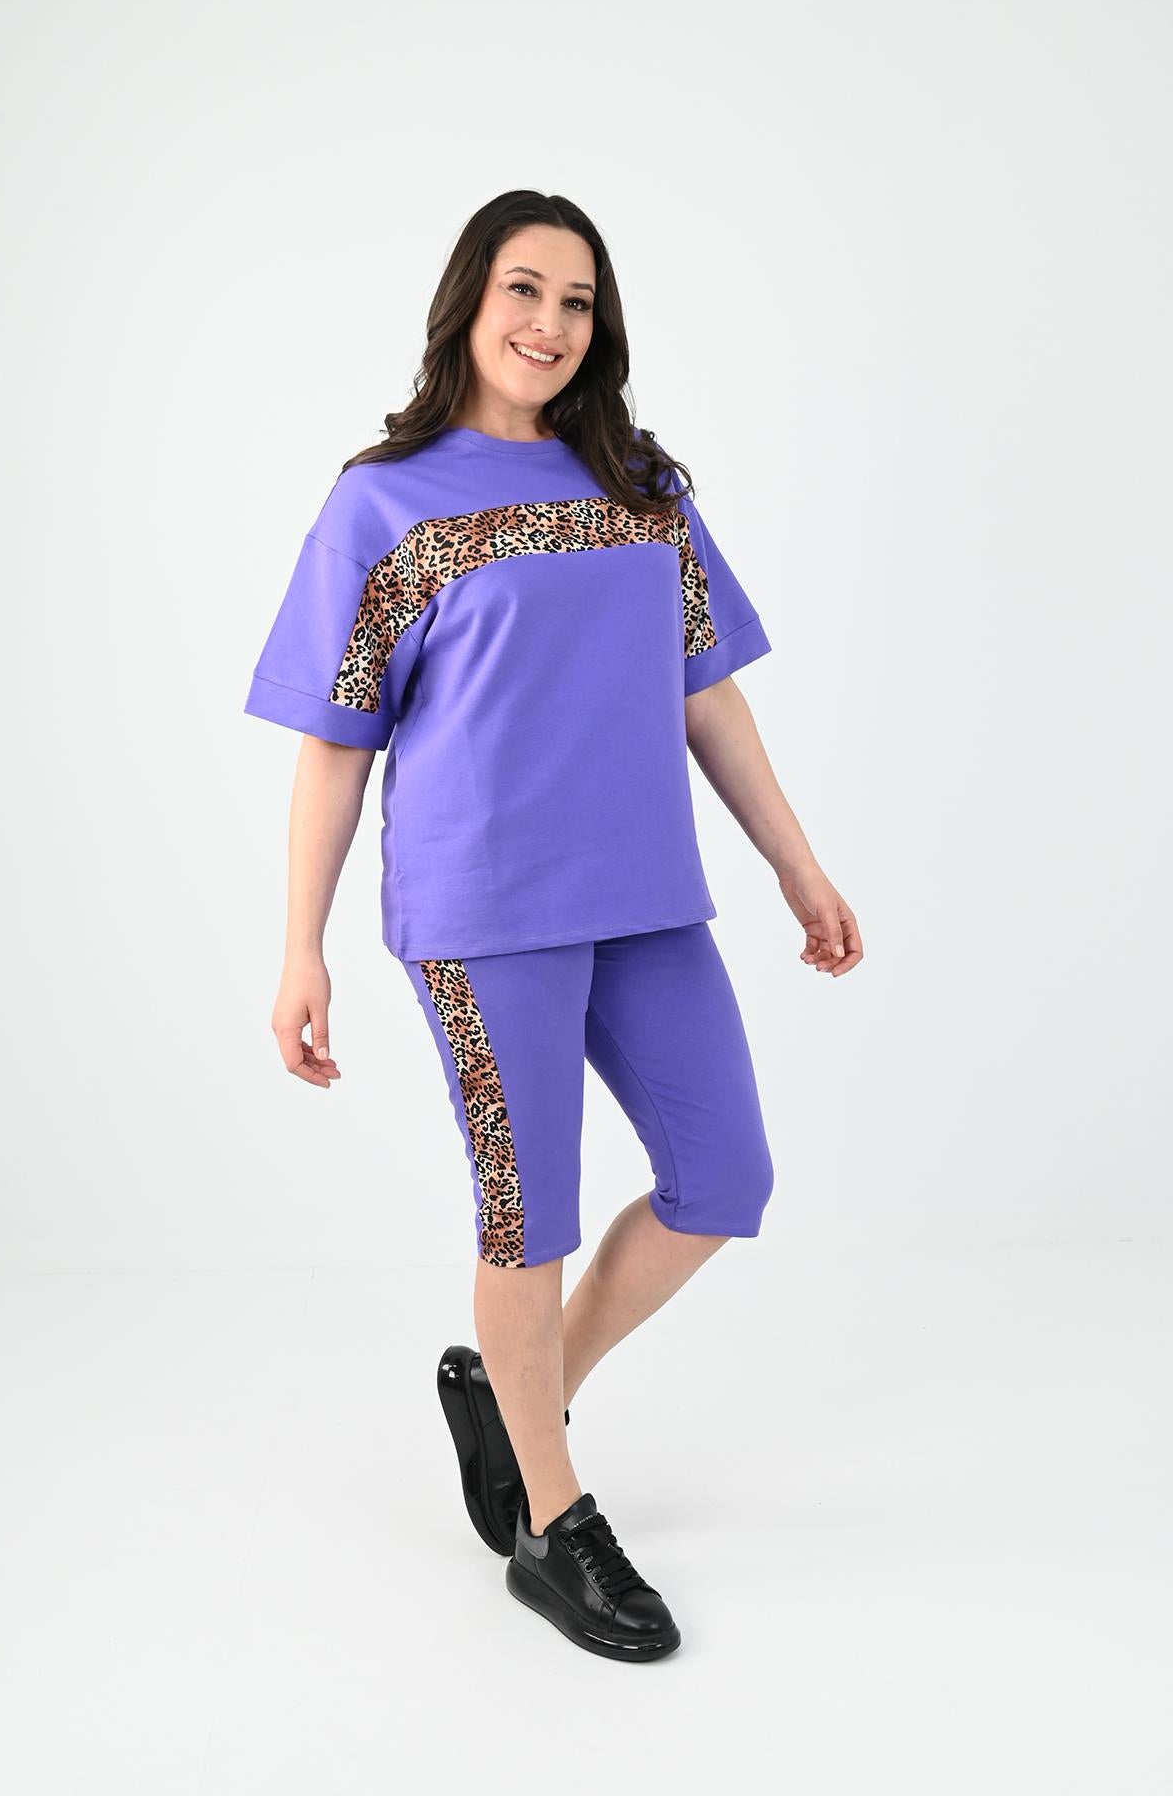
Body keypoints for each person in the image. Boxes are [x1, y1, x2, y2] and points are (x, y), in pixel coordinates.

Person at [242, 189, 863, 1663]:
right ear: (469, 301)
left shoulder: (641, 487)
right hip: (483, 911)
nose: (549, 323)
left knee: (724, 1176)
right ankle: (552, 1522)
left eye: (578, 300)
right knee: (530, 1215)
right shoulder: (383, 503)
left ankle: (520, 1397)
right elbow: (334, 743)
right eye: (524, 289)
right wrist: (299, 946)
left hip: (647, 898)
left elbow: (709, 693)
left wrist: (798, 866)